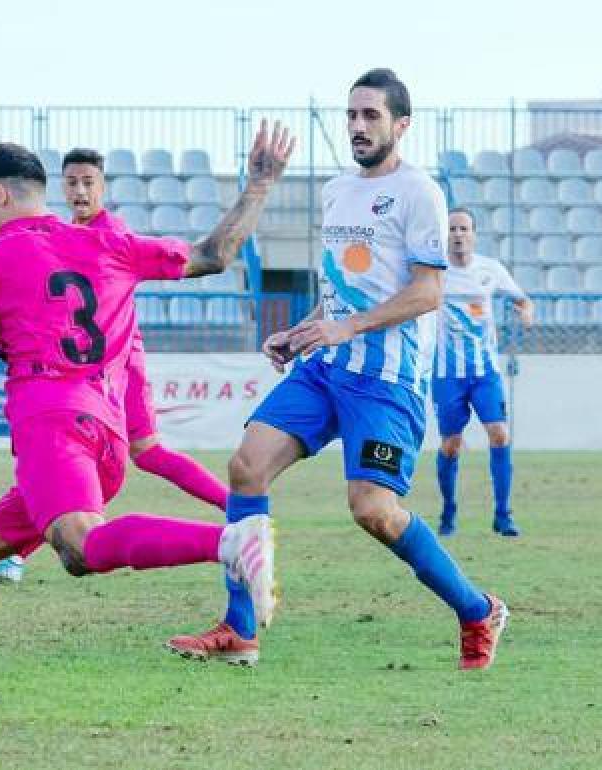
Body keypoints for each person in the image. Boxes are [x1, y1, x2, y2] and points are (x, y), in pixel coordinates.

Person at [0, 123, 295, 724]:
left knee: (80, 545)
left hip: (51, 425)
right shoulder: (109, 243)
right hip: (106, 437)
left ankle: (229, 541)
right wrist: (258, 187)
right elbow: (214, 256)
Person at [166, 69, 508, 670]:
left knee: (373, 511)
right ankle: (240, 629)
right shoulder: (337, 190)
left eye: (371, 115)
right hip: (327, 367)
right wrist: (303, 332)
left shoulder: (419, 192)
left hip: (388, 379)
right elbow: (341, 291)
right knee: (247, 467)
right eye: (351, 115)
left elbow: (428, 292)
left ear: (401, 125)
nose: (357, 126)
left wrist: (346, 329)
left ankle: (477, 609)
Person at [0, 147, 231, 586]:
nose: (80, 191)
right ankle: (16, 551)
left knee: (139, 452)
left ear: (102, 187)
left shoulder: (109, 233)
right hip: (90, 370)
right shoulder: (63, 233)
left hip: (115, 366)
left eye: (88, 183)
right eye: (72, 183)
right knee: (67, 458)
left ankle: (237, 510)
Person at [433, 208, 533, 537]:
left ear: (474, 234)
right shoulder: (435, 271)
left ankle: (503, 515)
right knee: (451, 444)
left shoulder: (490, 269)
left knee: (500, 434)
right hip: (447, 374)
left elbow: (522, 300)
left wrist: (525, 312)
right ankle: (449, 511)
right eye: (452, 229)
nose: (458, 234)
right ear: (445, 235)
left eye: (463, 228)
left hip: (485, 372)